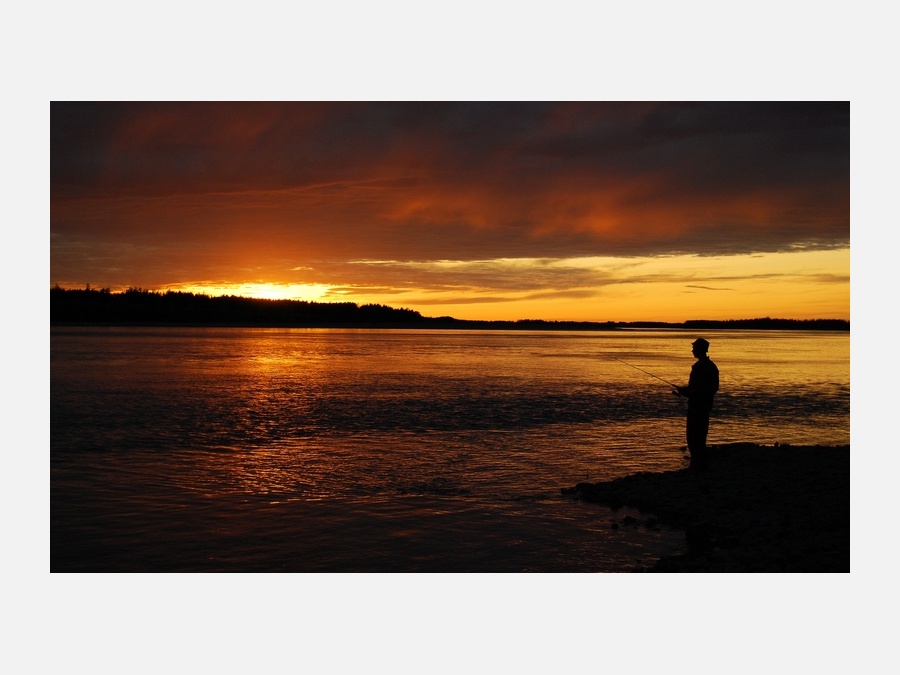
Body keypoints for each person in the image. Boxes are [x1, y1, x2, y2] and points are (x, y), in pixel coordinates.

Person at [674, 337, 719, 471]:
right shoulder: (703, 366)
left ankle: (698, 464)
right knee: (694, 436)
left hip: (700, 406)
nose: (692, 350)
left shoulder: (708, 367)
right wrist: (685, 391)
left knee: (696, 436)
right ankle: (697, 462)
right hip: (696, 405)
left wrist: (690, 393)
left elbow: (711, 388)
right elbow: (695, 387)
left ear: (701, 350)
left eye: (694, 348)